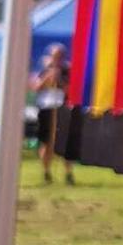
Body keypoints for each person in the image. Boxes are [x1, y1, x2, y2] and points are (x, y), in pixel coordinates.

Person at [30, 44, 74, 185]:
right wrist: (48, 77)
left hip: (62, 108)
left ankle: (68, 174)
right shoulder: (44, 71)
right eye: (54, 56)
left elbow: (69, 91)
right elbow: (36, 88)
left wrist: (59, 79)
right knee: (46, 142)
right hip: (46, 108)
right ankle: (46, 172)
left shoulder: (68, 71)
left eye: (59, 56)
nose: (57, 59)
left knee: (66, 143)